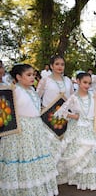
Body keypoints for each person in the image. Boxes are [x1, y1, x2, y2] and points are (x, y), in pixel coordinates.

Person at [53, 72, 96, 190]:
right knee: (84, 150)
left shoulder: (93, 94)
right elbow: (59, 112)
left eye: (89, 83)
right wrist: (74, 116)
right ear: (78, 82)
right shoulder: (73, 97)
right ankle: (83, 178)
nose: (87, 85)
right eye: (85, 82)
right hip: (79, 128)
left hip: (92, 126)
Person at [0, 64, 59, 196]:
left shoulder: (33, 90)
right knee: (24, 158)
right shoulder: (14, 90)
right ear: (18, 77)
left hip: (36, 128)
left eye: (33, 74)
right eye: (28, 75)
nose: (32, 77)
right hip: (21, 130)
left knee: (38, 158)